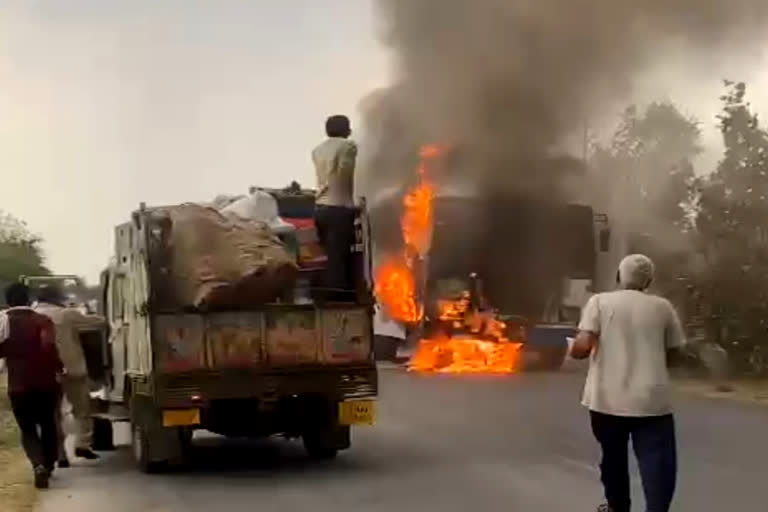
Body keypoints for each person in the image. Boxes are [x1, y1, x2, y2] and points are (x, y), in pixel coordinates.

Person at [569, 254, 687, 512]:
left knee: (613, 458)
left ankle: (617, 507)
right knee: (658, 465)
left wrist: (574, 347)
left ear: (619, 277)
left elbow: (582, 348)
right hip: (652, 400)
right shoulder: (663, 307)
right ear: (649, 280)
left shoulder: (599, 302)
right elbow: (676, 355)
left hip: (606, 400)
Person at [0, 283, 63, 489]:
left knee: (27, 429)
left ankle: (37, 465)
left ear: (8, 300)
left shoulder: (3, 321)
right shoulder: (43, 321)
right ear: (29, 300)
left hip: (18, 386)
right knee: (48, 424)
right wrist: (58, 368)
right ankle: (49, 464)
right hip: (45, 383)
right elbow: (49, 347)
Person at [35, 285, 106, 462]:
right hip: (72, 368)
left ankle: (60, 453)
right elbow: (98, 323)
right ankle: (82, 444)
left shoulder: (32, 315)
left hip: (44, 372)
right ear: (56, 297)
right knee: (81, 409)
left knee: (53, 413)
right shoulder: (67, 314)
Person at [312, 114, 358, 299]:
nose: (350, 130)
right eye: (348, 126)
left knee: (330, 255)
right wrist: (351, 204)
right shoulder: (348, 146)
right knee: (340, 256)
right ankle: (339, 298)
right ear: (344, 129)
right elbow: (343, 175)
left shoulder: (317, 150)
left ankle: (328, 293)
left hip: (320, 207)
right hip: (339, 207)